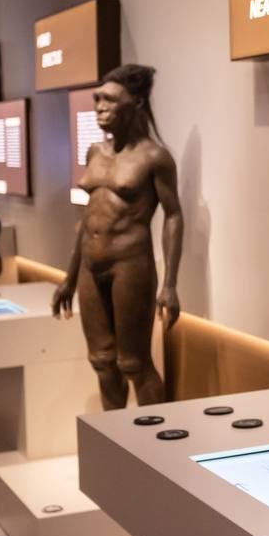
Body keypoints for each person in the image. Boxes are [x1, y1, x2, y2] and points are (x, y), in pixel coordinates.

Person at [52, 64, 183, 409]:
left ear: (136, 102)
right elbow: (87, 219)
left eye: (109, 100)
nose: (100, 107)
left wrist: (169, 284)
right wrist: (68, 277)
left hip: (130, 264)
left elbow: (173, 215)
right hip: (89, 267)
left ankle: (157, 438)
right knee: (102, 361)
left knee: (134, 363)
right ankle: (114, 436)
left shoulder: (154, 157)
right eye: (97, 100)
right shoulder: (95, 152)